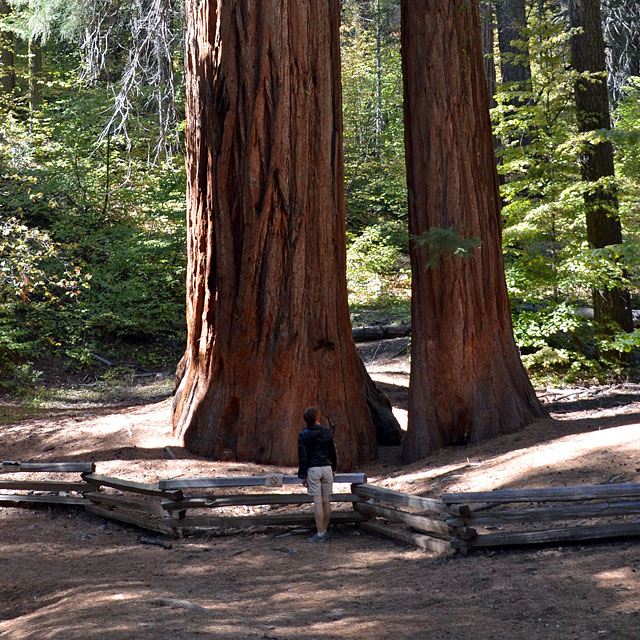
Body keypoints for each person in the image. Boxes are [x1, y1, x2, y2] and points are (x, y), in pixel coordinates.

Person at [297, 406, 337, 543]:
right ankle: (324, 530)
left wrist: (302, 475)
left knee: (318, 502)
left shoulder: (303, 435)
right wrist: (334, 468)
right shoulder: (327, 433)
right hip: (327, 468)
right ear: (317, 418)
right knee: (327, 501)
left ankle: (320, 533)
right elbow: (333, 452)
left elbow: (302, 457)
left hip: (313, 469)